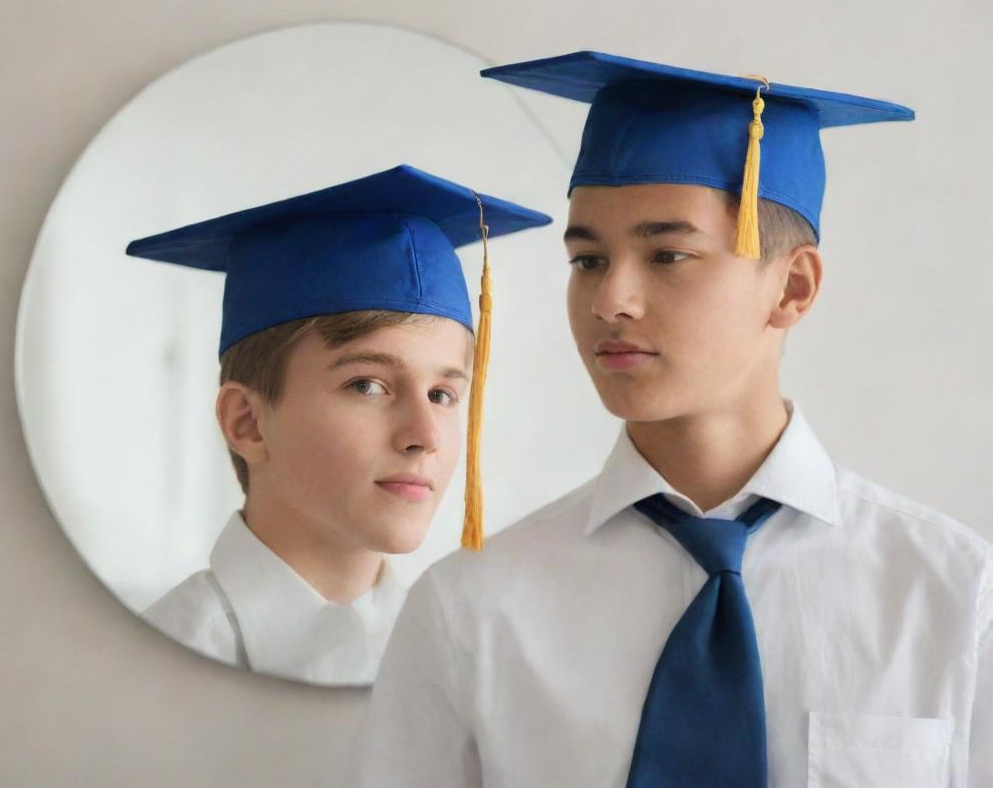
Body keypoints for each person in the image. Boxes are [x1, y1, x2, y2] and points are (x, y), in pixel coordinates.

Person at [345, 53, 992, 785]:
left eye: (667, 255)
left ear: (793, 287)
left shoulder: (954, 597)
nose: (609, 300)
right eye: (588, 260)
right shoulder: (474, 610)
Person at [128, 164, 550, 686]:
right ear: (248, 423)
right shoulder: (155, 669)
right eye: (367, 386)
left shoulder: (467, 659)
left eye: (443, 394)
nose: (426, 435)